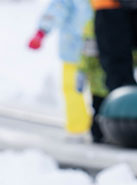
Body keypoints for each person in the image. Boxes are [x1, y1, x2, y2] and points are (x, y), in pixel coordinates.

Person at [27, 0, 93, 135]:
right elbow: (58, 8)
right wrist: (42, 31)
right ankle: (80, 127)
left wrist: (41, 32)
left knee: (76, 88)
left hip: (81, 49)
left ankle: (83, 127)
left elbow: (57, 8)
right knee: (76, 88)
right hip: (79, 50)